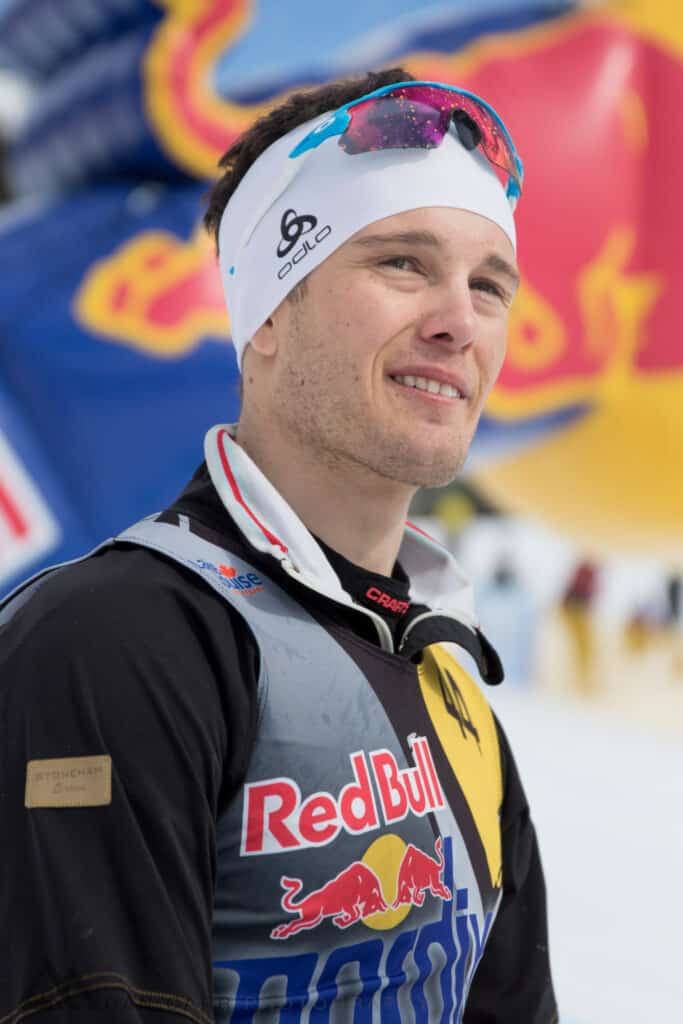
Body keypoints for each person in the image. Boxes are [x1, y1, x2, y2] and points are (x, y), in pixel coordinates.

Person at [0, 68, 558, 1023]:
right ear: (265, 313)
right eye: (400, 264)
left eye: (489, 284)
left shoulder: (446, 673)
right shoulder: (108, 642)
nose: (458, 321)